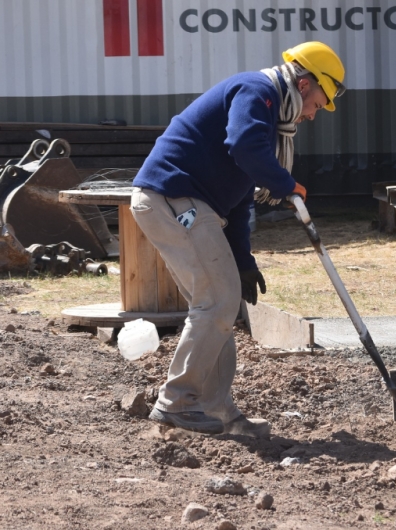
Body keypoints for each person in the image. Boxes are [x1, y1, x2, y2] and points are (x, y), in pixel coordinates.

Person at [130, 42, 346, 436]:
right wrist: (286, 185)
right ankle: (177, 402)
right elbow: (244, 147)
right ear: (303, 84)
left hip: (191, 202)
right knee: (218, 300)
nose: (315, 114)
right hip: (172, 197)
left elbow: (238, 200)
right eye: (318, 102)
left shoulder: (270, 121)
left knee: (222, 303)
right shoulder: (257, 92)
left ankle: (215, 410)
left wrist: (243, 259)